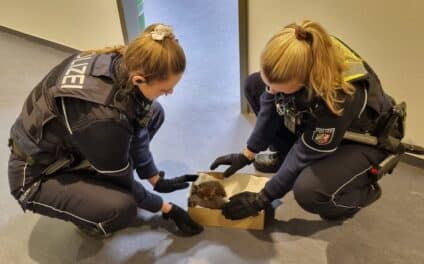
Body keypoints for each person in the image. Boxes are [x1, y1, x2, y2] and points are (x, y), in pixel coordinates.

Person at [8, 23, 203, 237]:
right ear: (139, 79)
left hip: (69, 146)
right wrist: (165, 208)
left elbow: (138, 123)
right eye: (165, 89)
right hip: (36, 175)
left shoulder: (122, 62)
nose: (171, 92)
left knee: (155, 111)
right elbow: (124, 179)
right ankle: (91, 216)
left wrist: (154, 177)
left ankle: (94, 177)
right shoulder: (104, 120)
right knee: (123, 207)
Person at [210, 20, 401, 221]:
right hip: (327, 125)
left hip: (366, 140)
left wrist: (263, 198)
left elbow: (304, 153)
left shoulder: (338, 98)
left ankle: (363, 193)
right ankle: (285, 158)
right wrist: (248, 153)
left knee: (309, 191)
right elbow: (271, 103)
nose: (272, 92)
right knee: (254, 84)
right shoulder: (300, 49)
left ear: (304, 79)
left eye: (280, 89)